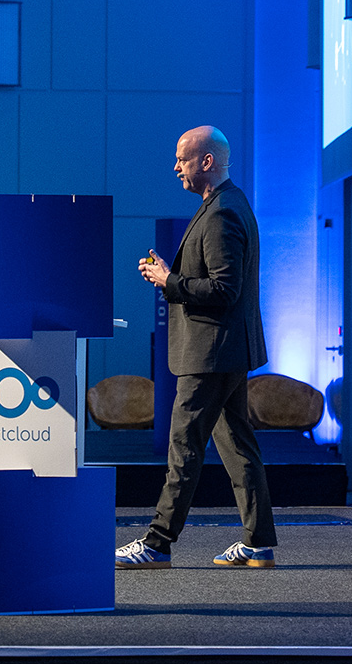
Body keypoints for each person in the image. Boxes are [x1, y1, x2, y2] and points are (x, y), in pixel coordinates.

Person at [116, 125, 278, 570]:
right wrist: (170, 277)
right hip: (226, 351)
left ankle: (157, 543)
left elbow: (224, 289)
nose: (175, 168)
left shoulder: (222, 212)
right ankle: (258, 543)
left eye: (182, 159)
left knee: (184, 448)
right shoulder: (228, 203)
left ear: (207, 161)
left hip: (211, 354)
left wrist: (170, 281)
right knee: (238, 448)